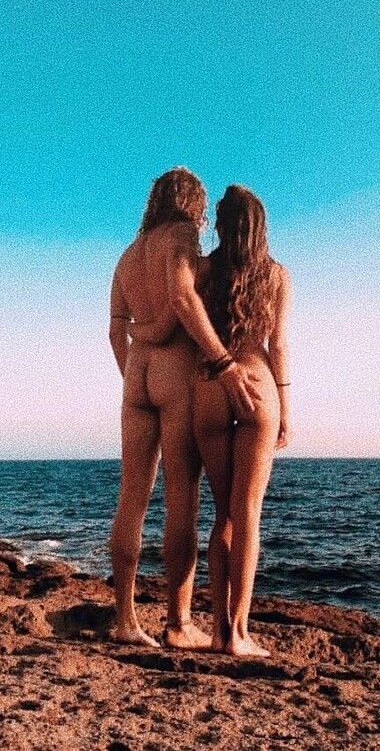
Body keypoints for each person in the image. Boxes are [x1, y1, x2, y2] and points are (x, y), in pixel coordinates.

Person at [108, 167, 261, 648]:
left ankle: (125, 620)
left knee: (131, 499)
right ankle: (178, 623)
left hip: (135, 377)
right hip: (176, 376)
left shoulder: (128, 254)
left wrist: (138, 364)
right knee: (181, 502)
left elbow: (115, 330)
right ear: (192, 202)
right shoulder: (181, 236)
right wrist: (223, 363)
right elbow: (182, 295)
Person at [192, 185, 291, 657]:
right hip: (258, 385)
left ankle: (216, 631)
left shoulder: (203, 271)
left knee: (223, 517)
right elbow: (278, 345)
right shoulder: (277, 276)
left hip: (210, 386)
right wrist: (286, 408)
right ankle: (239, 633)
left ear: (221, 224)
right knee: (248, 513)